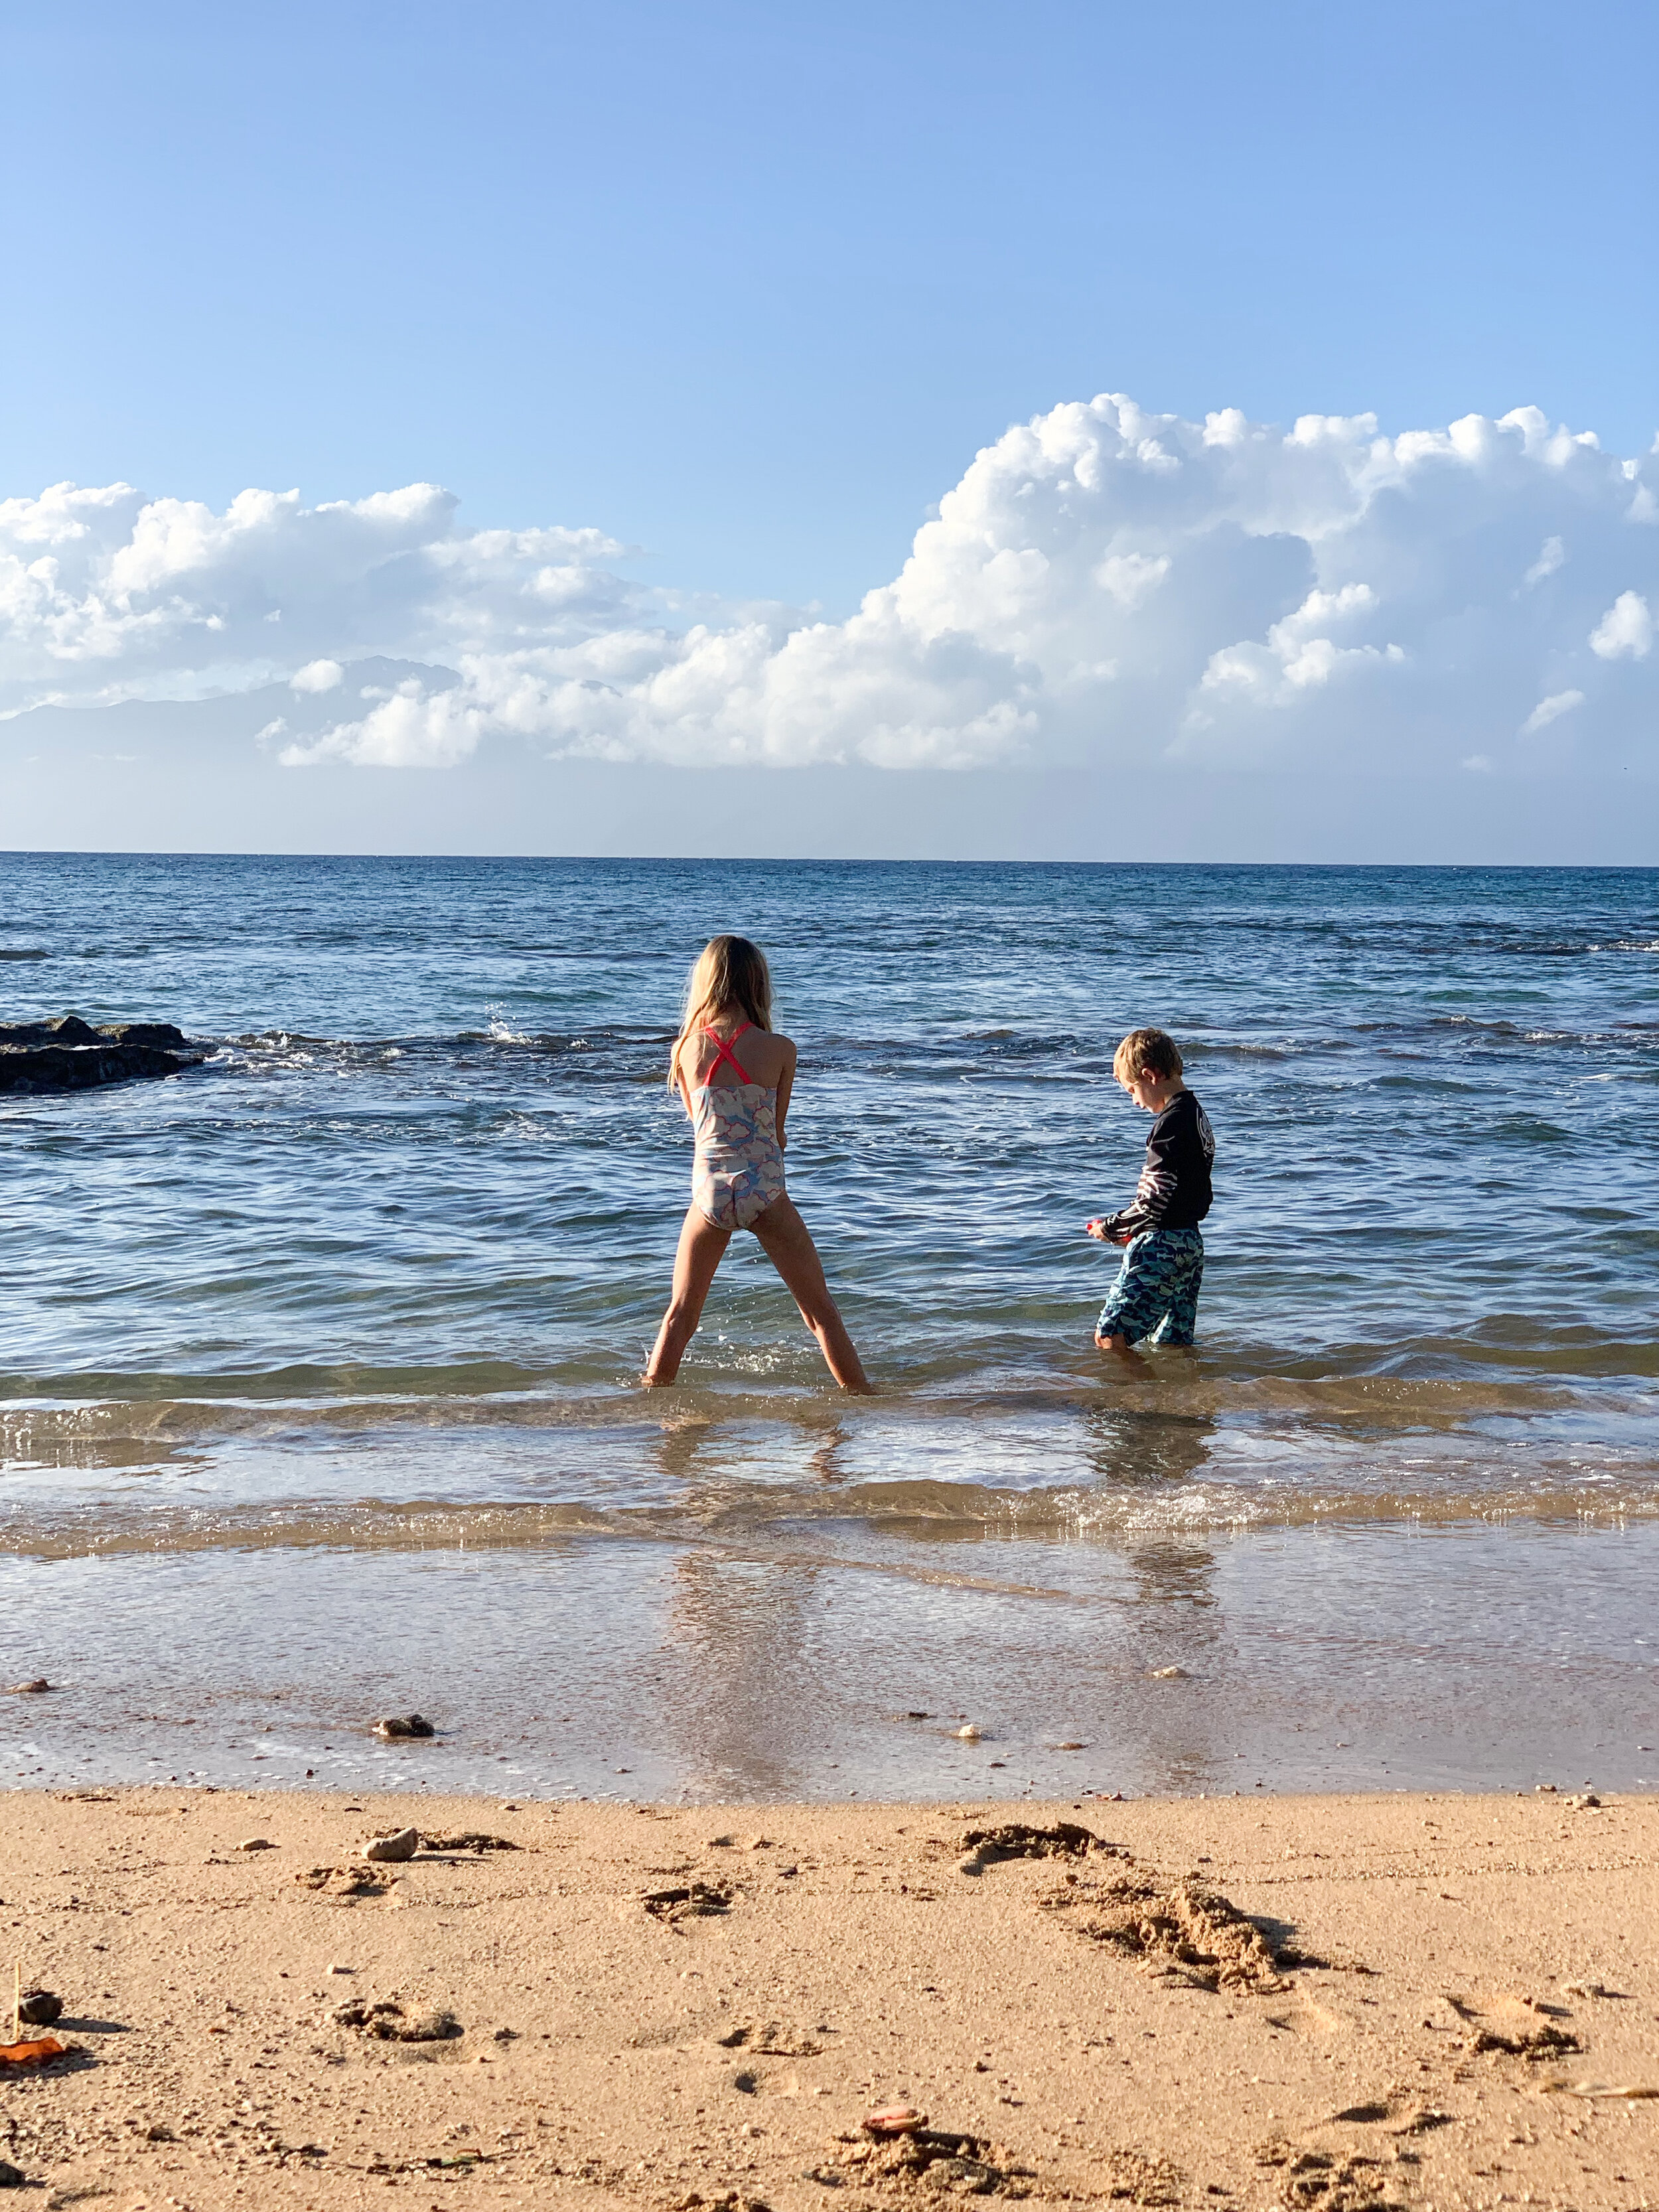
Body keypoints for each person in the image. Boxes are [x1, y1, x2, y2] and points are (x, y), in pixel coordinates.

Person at [643, 933, 871, 1392]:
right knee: (820, 1312)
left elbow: (700, 1125)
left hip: (709, 1189)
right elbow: (777, 1134)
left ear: (705, 983)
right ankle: (864, 1399)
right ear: (759, 983)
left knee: (681, 1315)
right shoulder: (781, 1049)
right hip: (764, 1187)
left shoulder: (685, 1050)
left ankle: (648, 1410)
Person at [1084, 1026, 1214, 1353]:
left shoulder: (1169, 1125)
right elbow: (1180, 1193)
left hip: (1162, 1245)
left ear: (1150, 1075)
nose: (1135, 1102)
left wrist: (1111, 1228)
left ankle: (1135, 1402)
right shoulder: (1197, 1115)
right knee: (1173, 1340)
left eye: (1132, 1090)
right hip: (1189, 1241)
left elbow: (1153, 1201)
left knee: (1110, 1338)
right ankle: (1178, 1398)